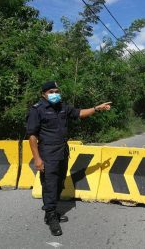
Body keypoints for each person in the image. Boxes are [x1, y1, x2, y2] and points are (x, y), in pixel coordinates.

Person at [26, 81, 111, 236]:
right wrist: (37, 159)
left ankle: (53, 211)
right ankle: (51, 216)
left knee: (59, 183)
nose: (55, 94)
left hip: (62, 152)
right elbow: (32, 136)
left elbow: (79, 113)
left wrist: (96, 108)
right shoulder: (37, 110)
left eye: (57, 91)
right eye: (51, 91)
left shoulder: (62, 107)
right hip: (47, 152)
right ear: (43, 94)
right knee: (50, 184)